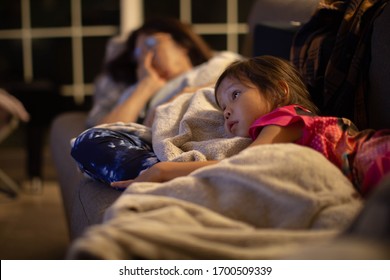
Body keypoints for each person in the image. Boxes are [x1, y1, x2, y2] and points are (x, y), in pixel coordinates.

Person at [73, 56, 389, 197]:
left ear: (278, 90)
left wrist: (163, 171)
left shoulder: (288, 116)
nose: (226, 113)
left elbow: (243, 166)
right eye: (223, 107)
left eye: (235, 96)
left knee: (93, 143)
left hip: (376, 158)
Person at [86, 17, 241, 127]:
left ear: (182, 44)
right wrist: (145, 86)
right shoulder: (138, 91)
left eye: (151, 44)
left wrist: (184, 95)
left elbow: (246, 81)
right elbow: (101, 135)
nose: (147, 59)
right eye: (139, 55)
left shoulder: (219, 61)